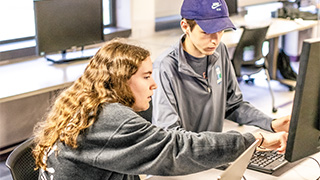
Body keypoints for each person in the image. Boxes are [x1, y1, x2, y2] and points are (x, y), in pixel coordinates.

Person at [32, 39, 287, 180]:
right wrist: (255, 139)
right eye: (146, 77)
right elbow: (176, 149)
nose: (154, 84)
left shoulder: (89, 106)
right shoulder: (111, 119)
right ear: (121, 81)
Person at [152, 0, 290, 135]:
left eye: (221, 30)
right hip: (185, 155)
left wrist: (270, 123)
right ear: (185, 26)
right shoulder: (165, 67)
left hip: (214, 152)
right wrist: (231, 144)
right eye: (206, 32)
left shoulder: (219, 50)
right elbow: (169, 135)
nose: (215, 40)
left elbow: (233, 105)